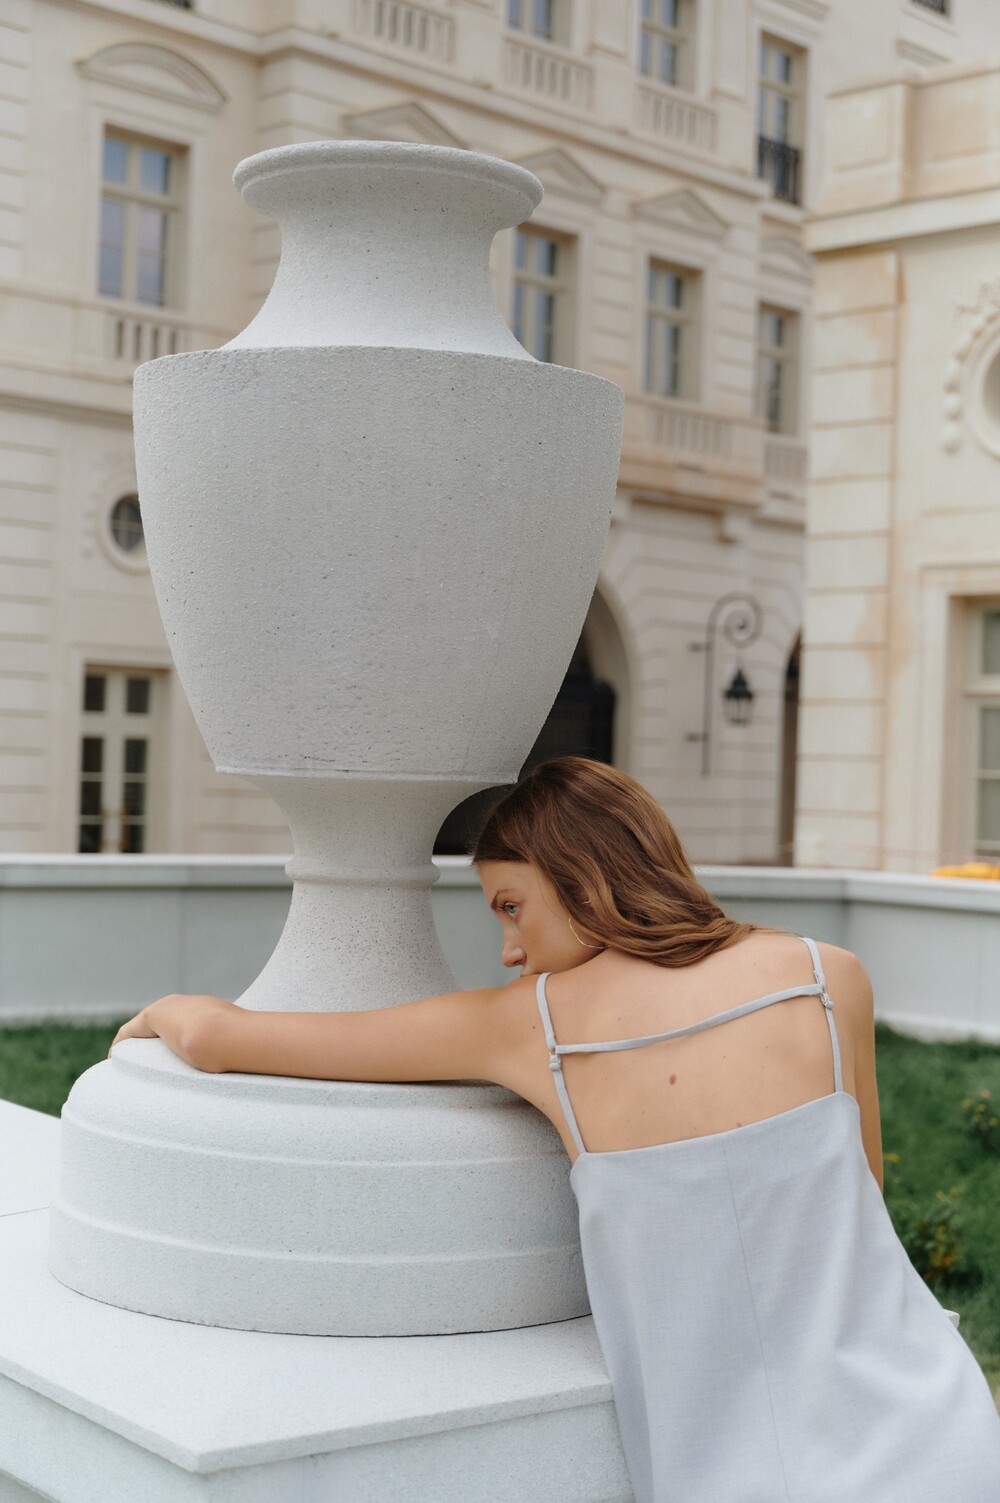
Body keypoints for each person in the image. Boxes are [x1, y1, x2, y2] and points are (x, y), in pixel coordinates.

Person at [110, 755, 1000, 1501]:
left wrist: (163, 1009)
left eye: (510, 905)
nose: (506, 946)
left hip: (737, 1474)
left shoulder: (534, 1024)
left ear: (583, 873)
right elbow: (865, 1202)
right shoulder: (825, 974)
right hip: (940, 1428)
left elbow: (231, 1039)